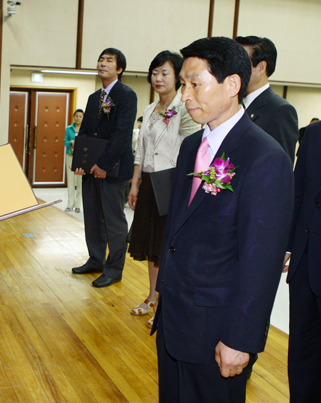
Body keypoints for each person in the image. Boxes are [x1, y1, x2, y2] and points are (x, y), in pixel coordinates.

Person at [152, 36, 294, 403]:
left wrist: (240, 338)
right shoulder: (190, 147)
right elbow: (178, 231)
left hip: (217, 332)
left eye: (195, 83)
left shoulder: (264, 157)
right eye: (184, 84)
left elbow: (260, 260)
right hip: (175, 323)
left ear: (232, 85)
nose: (185, 95)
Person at [127, 51, 200, 327]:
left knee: (165, 247)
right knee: (150, 247)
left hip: (171, 185)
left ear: (178, 76)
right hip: (149, 185)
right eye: (154, 72)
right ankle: (151, 297)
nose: (158, 78)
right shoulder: (148, 110)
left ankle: (165, 304)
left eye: (164, 73)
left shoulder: (185, 109)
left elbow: (191, 151)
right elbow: (140, 151)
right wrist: (135, 184)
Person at [71, 48, 137, 288]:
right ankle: (96, 259)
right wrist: (82, 163)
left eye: (109, 60)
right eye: (100, 59)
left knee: (113, 221)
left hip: (114, 170)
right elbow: (86, 133)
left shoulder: (126, 95)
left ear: (120, 68)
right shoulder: (93, 98)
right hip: (92, 170)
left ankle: (114, 269)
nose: (103, 63)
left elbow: (121, 135)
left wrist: (104, 165)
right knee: (92, 217)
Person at [284, 119, 321, 402]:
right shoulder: (315, 133)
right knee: (302, 355)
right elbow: (297, 193)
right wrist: (287, 246)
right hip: (306, 263)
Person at [236, 36, 298, 163]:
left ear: (261, 67)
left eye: (241, 63)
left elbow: (281, 165)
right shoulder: (233, 103)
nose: (234, 69)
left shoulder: (280, 110)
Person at [64, 108, 83, 213]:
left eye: (80, 116)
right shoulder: (69, 128)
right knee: (71, 180)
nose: (78, 118)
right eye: (76, 116)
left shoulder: (85, 129)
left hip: (81, 156)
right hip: (70, 155)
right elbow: (64, 142)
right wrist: (71, 142)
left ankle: (78, 205)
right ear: (73, 117)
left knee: (80, 180)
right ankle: (69, 204)